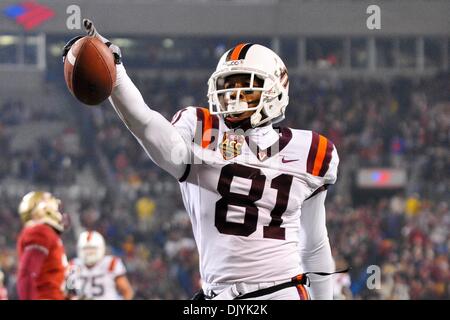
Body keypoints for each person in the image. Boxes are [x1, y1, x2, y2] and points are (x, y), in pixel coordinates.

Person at [63, 19, 339, 300]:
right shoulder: (200, 128)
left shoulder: (312, 151)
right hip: (218, 295)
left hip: (281, 292)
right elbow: (145, 125)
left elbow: (313, 244)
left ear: (275, 91)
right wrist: (116, 72)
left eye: (246, 86)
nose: (233, 96)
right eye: (227, 86)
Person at [16, 191, 68, 300]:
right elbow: (27, 273)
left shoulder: (45, 232)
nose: (56, 208)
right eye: (50, 202)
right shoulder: (40, 231)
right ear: (40, 209)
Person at [68, 230, 134, 300]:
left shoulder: (111, 263)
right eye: (86, 249)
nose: (89, 252)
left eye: (92, 249)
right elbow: (69, 293)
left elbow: (127, 291)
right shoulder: (73, 265)